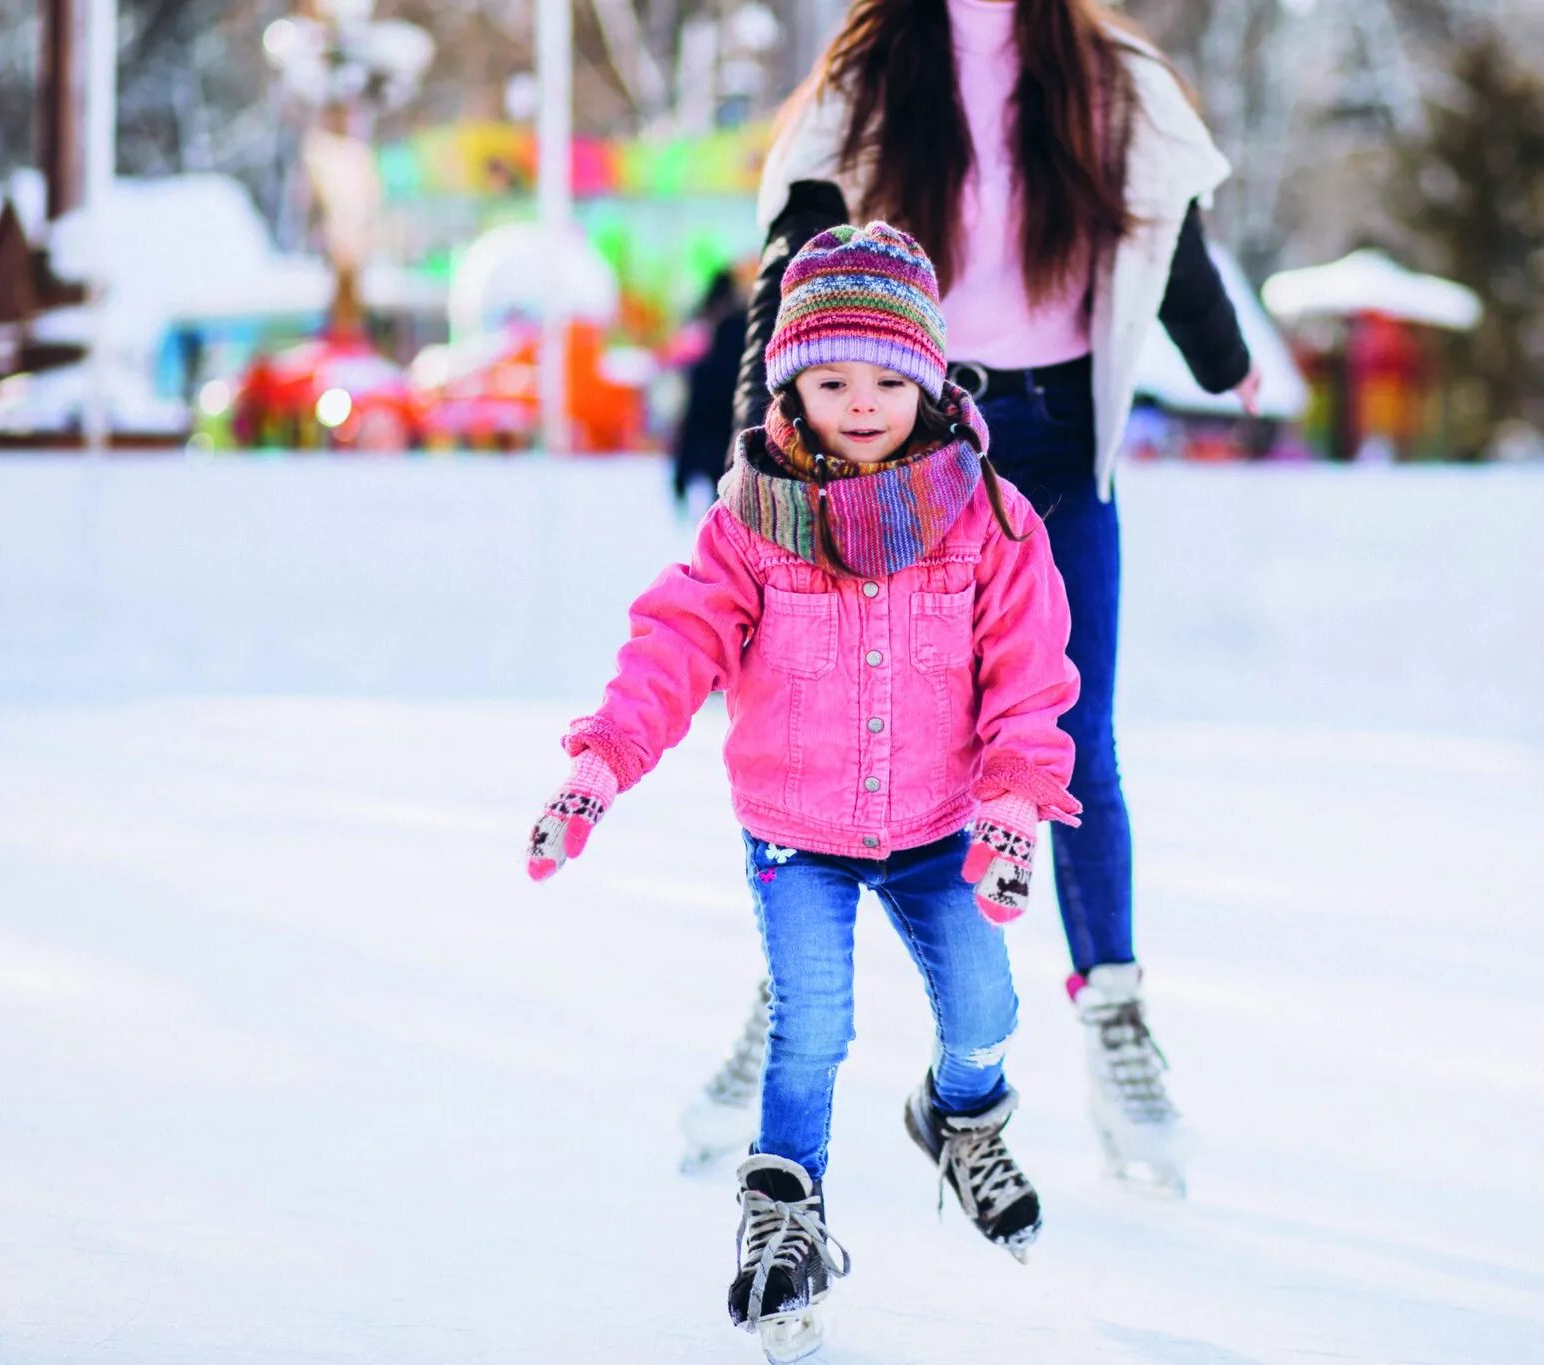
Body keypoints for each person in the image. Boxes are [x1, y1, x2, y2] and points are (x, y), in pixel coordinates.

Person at [680, 0, 1260, 1193]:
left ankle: (1113, 1016)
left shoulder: (1108, 73)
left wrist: (1223, 359)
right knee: (843, 734)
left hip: (1048, 437)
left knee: (1072, 734)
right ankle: (784, 998)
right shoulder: (868, 72)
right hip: (891, 443)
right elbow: (792, 266)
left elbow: (1170, 229)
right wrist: (758, 441)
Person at [528, 224, 1081, 1359]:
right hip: (798, 833)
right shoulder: (749, 524)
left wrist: (1016, 797)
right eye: (831, 379)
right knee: (810, 1026)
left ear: (927, 382)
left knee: (987, 1012)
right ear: (789, 382)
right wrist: (600, 765)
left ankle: (960, 1118)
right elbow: (673, 647)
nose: (862, 401)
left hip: (942, 828)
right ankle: (784, 1219)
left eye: (887, 378)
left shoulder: (987, 519)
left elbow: (1028, 672)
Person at [671, 269, 749, 512]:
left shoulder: (705, 369)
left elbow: (693, 421)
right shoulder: (749, 371)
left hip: (710, 450)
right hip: (736, 453)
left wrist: (680, 477)